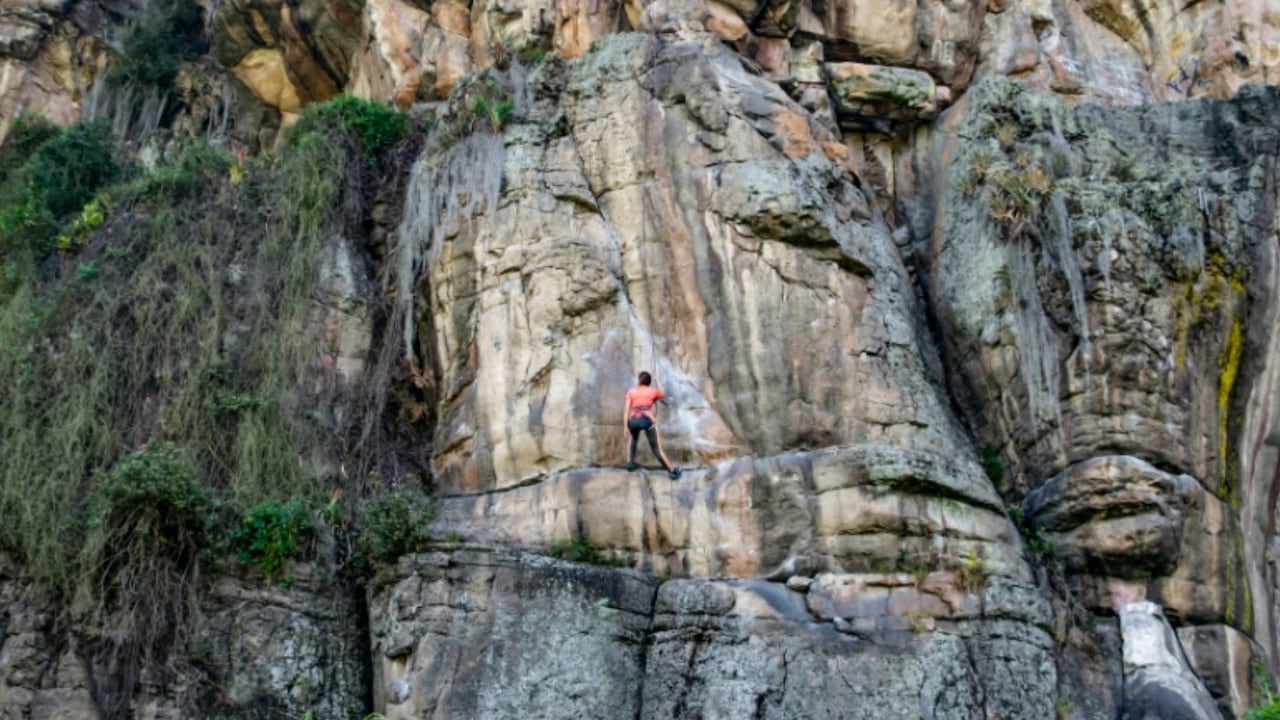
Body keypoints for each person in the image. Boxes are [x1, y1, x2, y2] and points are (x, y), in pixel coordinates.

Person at [623, 371, 682, 479]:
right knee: (656, 448)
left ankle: (630, 463)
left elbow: (626, 409)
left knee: (633, 438)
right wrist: (658, 381)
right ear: (649, 382)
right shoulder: (652, 391)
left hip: (634, 419)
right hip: (647, 419)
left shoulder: (631, 391)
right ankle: (673, 471)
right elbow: (663, 393)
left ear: (639, 380)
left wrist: (625, 426)